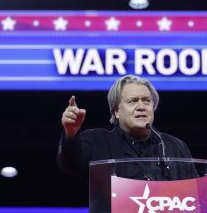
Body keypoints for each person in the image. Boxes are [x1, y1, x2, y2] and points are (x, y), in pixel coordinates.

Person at [57, 75, 194, 180]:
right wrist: (71, 133)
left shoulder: (175, 146)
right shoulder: (96, 142)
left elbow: (193, 190)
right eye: (133, 101)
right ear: (116, 111)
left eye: (146, 101)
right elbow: (69, 164)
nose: (141, 107)